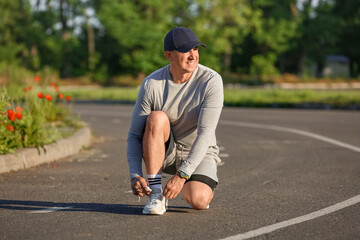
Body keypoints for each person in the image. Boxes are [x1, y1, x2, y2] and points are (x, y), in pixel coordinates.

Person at [127, 26, 223, 215]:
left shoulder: (211, 81)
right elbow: (134, 136)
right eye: (185, 50)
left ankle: (192, 186)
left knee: (199, 201)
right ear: (169, 56)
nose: (192, 55)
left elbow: (205, 134)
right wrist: (135, 175)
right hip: (167, 152)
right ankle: (156, 194)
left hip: (198, 152)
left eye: (195, 49)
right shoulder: (151, 84)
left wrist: (182, 176)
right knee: (156, 118)